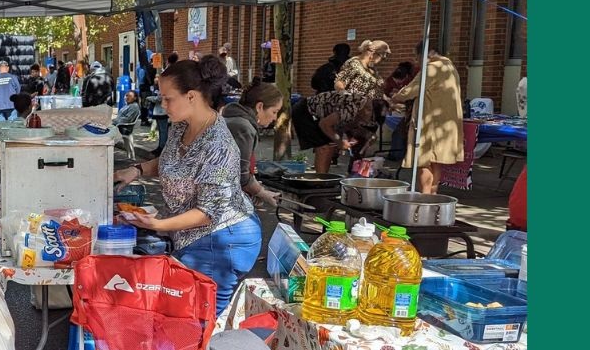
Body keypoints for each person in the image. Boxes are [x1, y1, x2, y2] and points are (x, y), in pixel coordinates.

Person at [112, 55, 260, 316]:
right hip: (197, 235)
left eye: (168, 98)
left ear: (191, 96)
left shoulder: (218, 145)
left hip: (223, 239)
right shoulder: (182, 126)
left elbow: (207, 213)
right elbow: (171, 160)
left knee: (195, 322)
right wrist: (136, 171)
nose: (163, 104)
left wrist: (157, 225)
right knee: (182, 318)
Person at [391, 41, 463, 194]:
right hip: (446, 123)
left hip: (430, 122)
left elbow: (410, 91)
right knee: (436, 161)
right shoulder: (450, 67)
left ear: (427, 53)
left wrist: (395, 97)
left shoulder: (431, 68)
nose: (417, 61)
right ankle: (433, 193)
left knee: (422, 159)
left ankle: (424, 195)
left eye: (417, 57)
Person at [222, 79, 284, 208]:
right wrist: (261, 192)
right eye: (274, 111)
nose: (275, 118)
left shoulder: (232, 119)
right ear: (259, 107)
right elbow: (240, 174)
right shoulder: (243, 128)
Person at [291, 90, 385, 174]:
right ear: (368, 111)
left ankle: (323, 177)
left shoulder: (362, 106)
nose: (367, 123)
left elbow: (348, 125)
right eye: (370, 120)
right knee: (324, 148)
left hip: (319, 116)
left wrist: (367, 134)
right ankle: (320, 181)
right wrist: (340, 142)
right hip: (306, 112)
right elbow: (324, 124)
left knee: (330, 146)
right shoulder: (352, 108)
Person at [146, 77, 170, 157]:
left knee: (163, 131)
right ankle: (160, 146)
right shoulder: (157, 89)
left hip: (162, 112)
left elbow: (159, 98)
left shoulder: (163, 89)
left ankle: (162, 147)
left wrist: (149, 98)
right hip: (158, 111)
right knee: (160, 130)